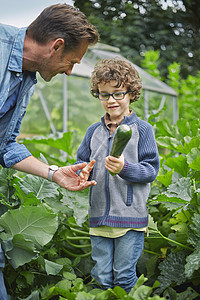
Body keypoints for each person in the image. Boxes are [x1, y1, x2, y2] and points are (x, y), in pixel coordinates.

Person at [0, 3, 99, 299]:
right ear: (56, 47)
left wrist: (54, 173)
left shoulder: (26, 76)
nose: (70, 72)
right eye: (72, 62)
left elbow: (4, 146)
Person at [76, 58, 160, 292]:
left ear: (131, 93)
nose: (111, 100)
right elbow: (81, 162)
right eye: (104, 94)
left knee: (124, 277)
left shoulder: (142, 130)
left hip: (130, 218)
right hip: (98, 216)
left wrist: (125, 168)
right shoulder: (93, 131)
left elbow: (150, 170)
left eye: (117, 93)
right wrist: (82, 171)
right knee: (101, 276)